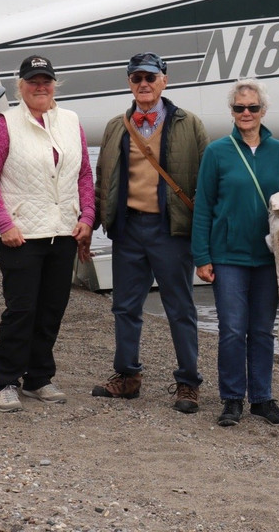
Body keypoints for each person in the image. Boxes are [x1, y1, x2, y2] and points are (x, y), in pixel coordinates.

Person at [92, 51, 209, 412]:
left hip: (171, 231)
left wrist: (207, 241)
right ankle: (127, 377)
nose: (144, 84)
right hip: (128, 229)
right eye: (137, 78)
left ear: (164, 80)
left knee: (181, 308)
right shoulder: (116, 126)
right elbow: (102, 181)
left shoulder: (189, 124)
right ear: (129, 83)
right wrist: (88, 226)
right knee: (124, 307)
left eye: (150, 78)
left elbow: (206, 186)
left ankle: (188, 383)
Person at [0, 55, 95, 413]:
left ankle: (39, 378)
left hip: (64, 233)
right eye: (33, 81)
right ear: (21, 86)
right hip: (21, 236)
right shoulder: (5, 123)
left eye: (46, 81)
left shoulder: (71, 121)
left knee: (51, 310)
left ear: (54, 84)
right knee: (21, 310)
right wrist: (5, 223)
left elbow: (85, 175)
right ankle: (5, 381)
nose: (40, 87)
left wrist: (88, 216)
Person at [192, 79, 279, 427]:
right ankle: (233, 398)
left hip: (267, 257)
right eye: (239, 108)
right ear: (232, 111)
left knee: (263, 330)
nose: (246, 113)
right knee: (233, 329)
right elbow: (203, 206)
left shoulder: (278, 151)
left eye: (252, 107)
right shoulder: (217, 151)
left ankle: (263, 399)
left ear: (263, 111)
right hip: (227, 254)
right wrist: (201, 256)